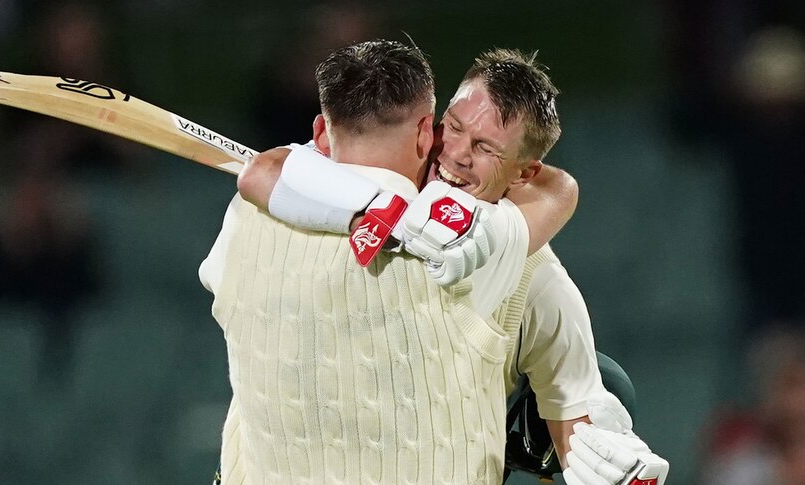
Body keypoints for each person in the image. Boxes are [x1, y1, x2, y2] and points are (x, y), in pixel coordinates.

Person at [234, 47, 669, 484]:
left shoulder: (527, 267)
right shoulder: (335, 181)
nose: (457, 153)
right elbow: (263, 170)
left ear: (523, 174)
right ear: (431, 125)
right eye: (454, 127)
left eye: (484, 148)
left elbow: (581, 412)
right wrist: (391, 212)